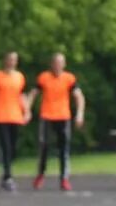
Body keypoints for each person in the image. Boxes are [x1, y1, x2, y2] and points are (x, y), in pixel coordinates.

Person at [27, 52, 85, 191]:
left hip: (63, 117)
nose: (58, 66)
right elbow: (33, 94)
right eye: (56, 63)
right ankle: (40, 175)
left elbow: (78, 96)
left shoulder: (69, 78)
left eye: (61, 63)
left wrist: (79, 114)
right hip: (47, 116)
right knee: (44, 147)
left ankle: (64, 178)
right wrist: (27, 110)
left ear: (64, 64)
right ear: (51, 64)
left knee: (64, 149)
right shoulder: (44, 77)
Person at [0, 52, 30, 191]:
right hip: (0, 116)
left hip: (15, 116)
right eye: (9, 59)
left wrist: (27, 111)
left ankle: (7, 172)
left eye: (14, 60)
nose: (12, 62)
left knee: (13, 147)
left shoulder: (20, 77)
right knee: (5, 146)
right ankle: (7, 176)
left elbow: (22, 95)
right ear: (4, 61)